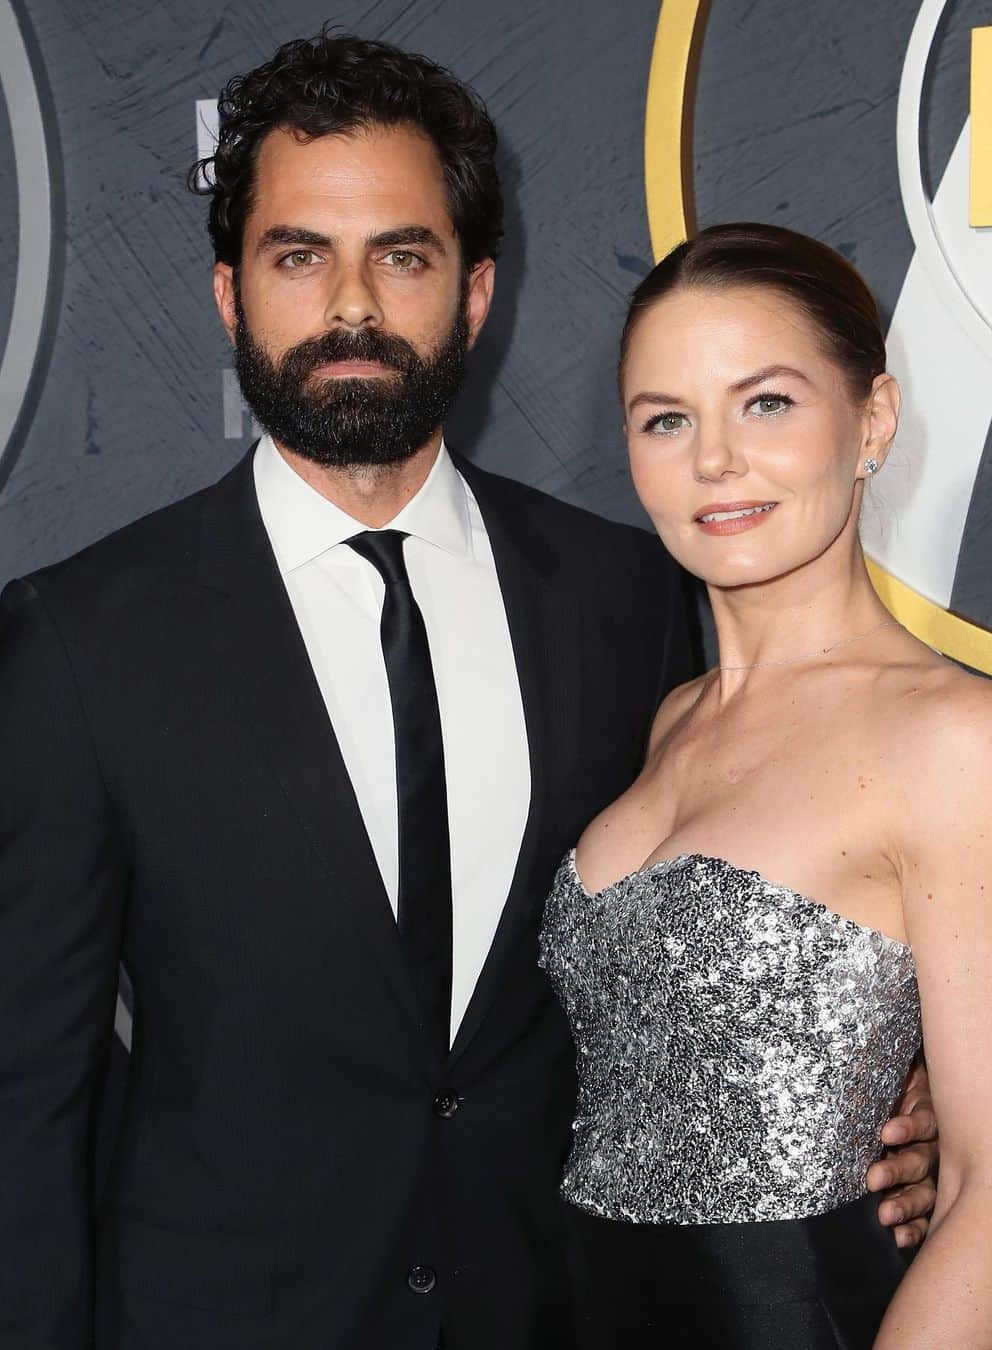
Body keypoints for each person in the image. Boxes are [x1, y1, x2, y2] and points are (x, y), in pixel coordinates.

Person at [0, 36, 937, 1350]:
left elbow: (770, 898)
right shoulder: (80, 641)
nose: (351, 305)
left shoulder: (629, 598)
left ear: (477, 291)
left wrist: (913, 1077)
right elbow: (23, 1107)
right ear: (226, 295)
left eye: (404, 253)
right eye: (296, 255)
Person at [539, 222, 992, 1349]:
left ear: (871, 420)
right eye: (666, 420)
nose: (715, 460)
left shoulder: (960, 740)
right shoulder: (673, 719)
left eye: (767, 403)